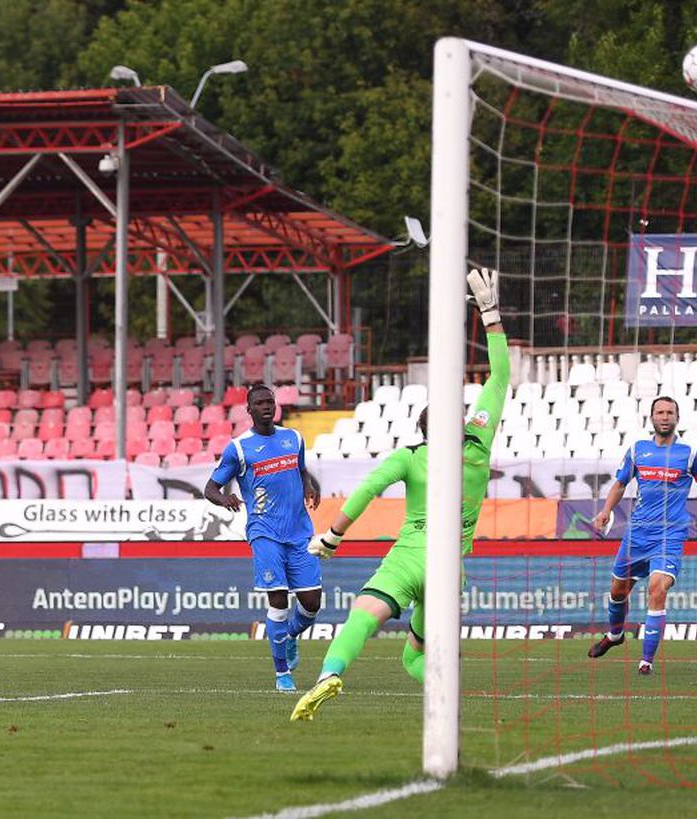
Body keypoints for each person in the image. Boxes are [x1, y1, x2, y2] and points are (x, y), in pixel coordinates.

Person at [290, 268, 507, 721]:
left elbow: (369, 487)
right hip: (450, 569)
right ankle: (449, 693)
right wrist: (490, 315)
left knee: (363, 617)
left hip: (410, 554)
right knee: (415, 656)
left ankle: (329, 673)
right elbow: (500, 376)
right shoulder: (478, 446)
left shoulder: (409, 455)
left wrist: (332, 535)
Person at [587, 396, 697, 674]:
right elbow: (621, 484)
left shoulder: (691, 452)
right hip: (637, 534)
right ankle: (615, 635)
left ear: (677, 418)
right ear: (652, 418)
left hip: (670, 535)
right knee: (617, 591)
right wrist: (605, 511)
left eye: (670, 412)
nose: (665, 416)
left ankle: (646, 662)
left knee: (657, 589)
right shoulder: (638, 449)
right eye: (660, 412)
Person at [204, 383, 321, 692]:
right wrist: (225, 499)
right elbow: (210, 488)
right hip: (264, 532)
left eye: (270, 402)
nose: (267, 407)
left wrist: (309, 486)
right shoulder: (239, 448)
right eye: (260, 403)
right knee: (279, 600)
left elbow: (301, 470)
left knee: (311, 604)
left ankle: (291, 637)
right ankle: (282, 673)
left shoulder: (293, 438)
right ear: (250, 410)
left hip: (299, 532)